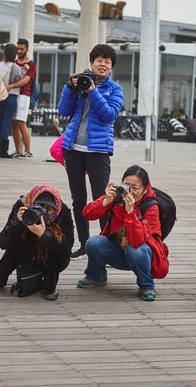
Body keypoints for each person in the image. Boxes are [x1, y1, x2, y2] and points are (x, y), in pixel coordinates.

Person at [58, 44, 123, 259]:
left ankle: (104, 246)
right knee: (78, 198)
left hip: (98, 151)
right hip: (73, 149)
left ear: (111, 66)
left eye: (107, 61)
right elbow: (63, 111)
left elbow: (109, 115)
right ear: (92, 63)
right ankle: (84, 243)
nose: (102, 64)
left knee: (102, 198)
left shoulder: (115, 89)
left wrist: (93, 91)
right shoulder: (79, 84)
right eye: (99, 60)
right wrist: (70, 87)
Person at [77, 165, 167, 301]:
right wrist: (105, 201)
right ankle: (96, 276)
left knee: (135, 250)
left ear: (145, 190)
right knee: (93, 243)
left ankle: (146, 285)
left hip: (142, 255)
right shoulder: (117, 198)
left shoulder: (151, 207)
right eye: (126, 186)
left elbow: (137, 241)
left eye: (135, 188)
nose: (129, 191)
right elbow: (86, 214)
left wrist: (131, 213)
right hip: (119, 251)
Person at [0, 185, 74, 300]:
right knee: (20, 239)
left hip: (52, 260)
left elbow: (67, 248)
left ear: (56, 208)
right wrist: (17, 224)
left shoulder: (63, 212)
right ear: (32, 203)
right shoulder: (22, 206)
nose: (43, 212)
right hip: (25, 253)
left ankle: (49, 285)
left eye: (48, 208)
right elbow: (3, 243)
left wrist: (44, 235)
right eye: (39, 206)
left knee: (56, 246)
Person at [0, 43, 26, 159]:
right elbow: (20, 79)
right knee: (7, 123)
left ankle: (0, 149)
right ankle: (4, 150)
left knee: (1, 122)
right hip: (11, 96)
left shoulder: (0, 65)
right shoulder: (15, 67)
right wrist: (24, 70)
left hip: (0, 95)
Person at [9, 38, 36, 158]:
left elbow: (26, 81)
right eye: (18, 49)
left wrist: (11, 86)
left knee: (21, 122)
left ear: (27, 49)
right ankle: (18, 150)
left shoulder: (31, 64)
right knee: (14, 123)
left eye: (21, 49)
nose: (19, 51)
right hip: (13, 94)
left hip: (24, 95)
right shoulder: (13, 63)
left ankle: (28, 150)